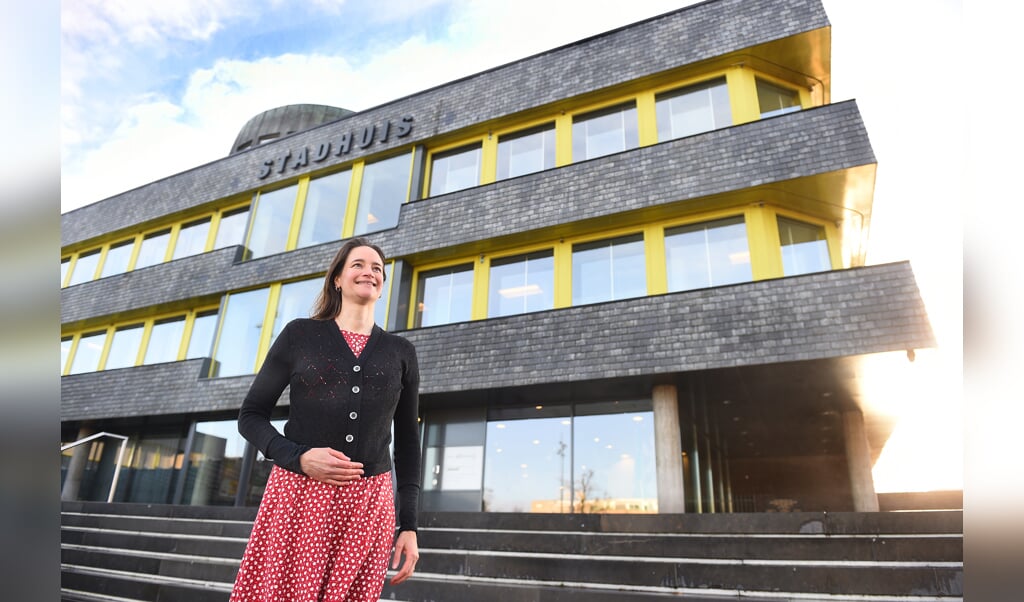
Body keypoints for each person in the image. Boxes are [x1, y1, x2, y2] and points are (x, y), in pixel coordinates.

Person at [230, 238, 421, 602]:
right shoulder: (299, 335)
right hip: (299, 497)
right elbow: (250, 416)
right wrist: (298, 457)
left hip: (368, 506)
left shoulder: (402, 353)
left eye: (377, 268)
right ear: (337, 278)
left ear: (383, 284)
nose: (369, 272)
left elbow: (409, 443)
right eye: (358, 265)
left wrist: (409, 525)